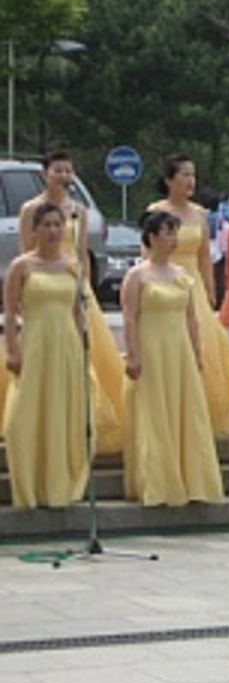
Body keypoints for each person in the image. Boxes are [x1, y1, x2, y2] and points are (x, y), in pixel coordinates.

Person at [18, 150, 124, 454]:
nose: (64, 176)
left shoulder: (78, 211)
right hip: (43, 286)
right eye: (58, 170)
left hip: (73, 286)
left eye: (68, 171)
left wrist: (85, 287)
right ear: (45, 174)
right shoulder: (30, 209)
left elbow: (82, 254)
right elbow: (25, 249)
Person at [121, 210, 224, 507]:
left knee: (185, 410)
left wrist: (196, 352)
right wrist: (133, 354)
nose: (173, 239)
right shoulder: (137, 275)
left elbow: (191, 318)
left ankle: (190, 478)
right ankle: (157, 481)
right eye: (168, 233)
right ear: (152, 237)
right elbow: (129, 317)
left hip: (179, 349)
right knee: (155, 412)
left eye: (175, 233)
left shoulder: (181, 275)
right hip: (151, 348)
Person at [147, 154, 229, 437]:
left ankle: (205, 412)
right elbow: (147, 252)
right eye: (184, 175)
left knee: (206, 342)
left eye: (193, 175)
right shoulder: (156, 211)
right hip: (165, 281)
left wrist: (210, 290)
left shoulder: (199, 214)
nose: (191, 181)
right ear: (169, 180)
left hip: (193, 285)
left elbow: (203, 257)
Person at [3, 203, 90, 509]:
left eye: (57, 225)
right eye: (47, 225)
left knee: (61, 410)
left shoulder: (72, 266)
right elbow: (10, 313)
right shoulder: (22, 266)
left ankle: (58, 483)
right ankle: (29, 483)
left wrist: (82, 345)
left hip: (65, 344)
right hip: (34, 343)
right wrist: (12, 350)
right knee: (23, 414)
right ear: (34, 230)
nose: (53, 231)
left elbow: (78, 312)